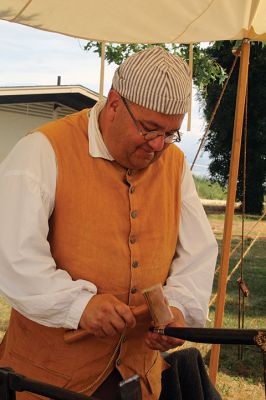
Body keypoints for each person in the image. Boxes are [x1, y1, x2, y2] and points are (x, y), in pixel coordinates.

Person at [0, 47, 218, 400]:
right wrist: (78, 306)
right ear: (115, 104)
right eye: (150, 129)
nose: (159, 145)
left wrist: (177, 310)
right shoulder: (43, 150)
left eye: (171, 133)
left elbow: (198, 255)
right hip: (50, 380)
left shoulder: (174, 166)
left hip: (139, 376)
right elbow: (12, 256)